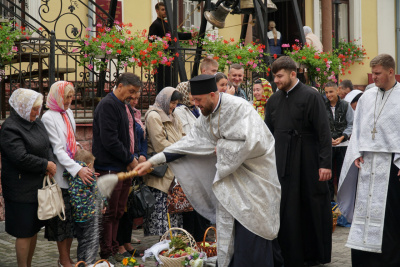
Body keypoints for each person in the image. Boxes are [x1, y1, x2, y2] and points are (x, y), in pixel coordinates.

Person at [134, 75, 281, 267]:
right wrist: (153, 161)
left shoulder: (240, 108)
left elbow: (256, 142)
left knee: (253, 233)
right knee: (231, 236)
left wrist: (222, 147)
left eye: (199, 100)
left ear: (212, 95)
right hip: (230, 184)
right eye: (193, 100)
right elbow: (189, 144)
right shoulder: (205, 115)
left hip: (254, 182)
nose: (195, 104)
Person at [264, 56, 332, 266]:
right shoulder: (273, 100)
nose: (276, 80)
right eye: (274, 76)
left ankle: (312, 255)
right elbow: (266, 134)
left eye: (279, 76)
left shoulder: (311, 95)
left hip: (309, 161)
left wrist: (325, 164)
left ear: (293, 74)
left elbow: (323, 132)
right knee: (286, 208)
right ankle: (288, 254)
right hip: (282, 161)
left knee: (310, 206)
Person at [337, 54, 400, 266]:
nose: (373, 78)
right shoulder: (367, 97)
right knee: (363, 215)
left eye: (378, 73)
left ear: (391, 72)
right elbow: (357, 128)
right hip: (366, 164)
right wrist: (356, 152)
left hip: (392, 165)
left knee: (390, 218)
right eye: (372, 73)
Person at [0, 89, 56, 267]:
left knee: (33, 229)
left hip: (37, 186)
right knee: (23, 231)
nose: (36, 112)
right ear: (22, 108)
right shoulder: (10, 127)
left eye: (38, 108)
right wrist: (44, 165)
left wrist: (50, 162)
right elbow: (20, 157)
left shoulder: (36, 122)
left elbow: (48, 146)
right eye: (33, 109)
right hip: (20, 189)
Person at [92, 73, 142, 264]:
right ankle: (107, 252)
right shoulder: (108, 105)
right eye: (131, 91)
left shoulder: (123, 105)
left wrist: (134, 156)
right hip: (110, 166)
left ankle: (114, 247)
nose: (132, 96)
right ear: (120, 86)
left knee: (119, 211)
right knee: (110, 212)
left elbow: (130, 135)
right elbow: (110, 140)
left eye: (136, 92)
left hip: (122, 165)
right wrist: (130, 158)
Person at [42, 81, 94, 267]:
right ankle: (63, 259)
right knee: (61, 222)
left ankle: (68, 258)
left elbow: (71, 139)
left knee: (71, 220)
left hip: (72, 174)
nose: (70, 101)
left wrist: (79, 148)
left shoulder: (68, 113)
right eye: (66, 97)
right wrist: (77, 169)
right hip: (61, 174)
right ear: (57, 97)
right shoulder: (48, 117)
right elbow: (58, 150)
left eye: (72, 97)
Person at [143, 87, 184, 237]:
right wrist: (182, 149)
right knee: (161, 214)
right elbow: (159, 144)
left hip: (174, 169)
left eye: (176, 103)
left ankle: (172, 247)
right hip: (161, 171)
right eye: (172, 102)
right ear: (164, 100)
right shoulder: (154, 116)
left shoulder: (173, 116)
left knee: (173, 213)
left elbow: (182, 135)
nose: (173, 106)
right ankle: (161, 250)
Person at [116, 91, 147, 257]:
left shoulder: (136, 114)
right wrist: (131, 159)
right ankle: (120, 244)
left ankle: (127, 242)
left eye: (137, 98)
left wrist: (142, 155)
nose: (135, 101)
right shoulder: (123, 112)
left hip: (136, 160)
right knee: (122, 208)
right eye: (132, 98)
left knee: (130, 207)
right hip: (126, 162)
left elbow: (142, 137)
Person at [64, 149, 104, 266]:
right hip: (90, 214)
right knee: (92, 241)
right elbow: (97, 192)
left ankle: (81, 263)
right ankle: (90, 263)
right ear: (89, 165)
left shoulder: (71, 174)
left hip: (77, 216)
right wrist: (104, 204)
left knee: (82, 241)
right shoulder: (88, 175)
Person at [149, 2, 198, 93]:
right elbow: (151, 40)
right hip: (161, 60)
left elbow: (176, 35)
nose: (165, 12)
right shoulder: (155, 24)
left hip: (169, 58)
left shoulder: (167, 24)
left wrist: (190, 35)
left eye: (165, 10)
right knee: (162, 83)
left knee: (170, 82)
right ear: (157, 11)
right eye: (162, 10)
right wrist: (163, 42)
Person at [324, 82, 354, 202]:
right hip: (328, 145)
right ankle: (330, 203)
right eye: (326, 92)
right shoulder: (322, 105)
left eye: (331, 91)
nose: (328, 95)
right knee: (328, 176)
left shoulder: (346, 106)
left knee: (343, 174)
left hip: (343, 145)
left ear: (337, 90)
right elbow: (320, 124)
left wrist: (343, 137)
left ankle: (343, 202)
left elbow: (351, 124)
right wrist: (328, 137)